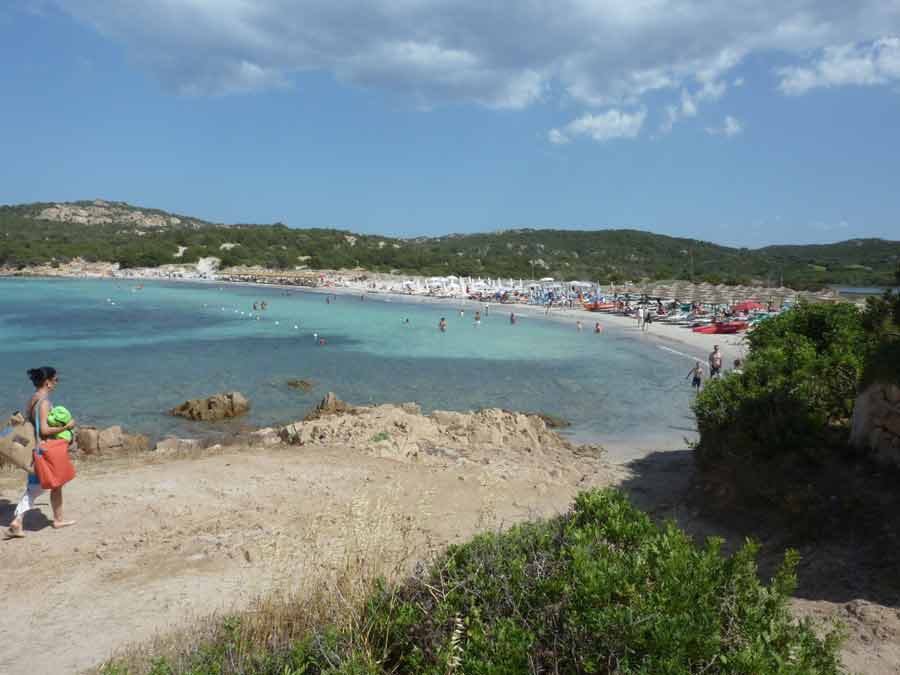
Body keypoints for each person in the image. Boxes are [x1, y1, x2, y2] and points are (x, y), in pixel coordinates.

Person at [6, 367, 76, 538]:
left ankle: (53, 519)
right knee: (40, 487)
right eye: (55, 380)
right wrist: (66, 427)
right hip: (44, 450)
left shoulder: (33, 399)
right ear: (47, 382)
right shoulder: (44, 402)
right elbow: (44, 429)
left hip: (34, 449)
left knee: (42, 486)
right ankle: (19, 521)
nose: (57, 383)